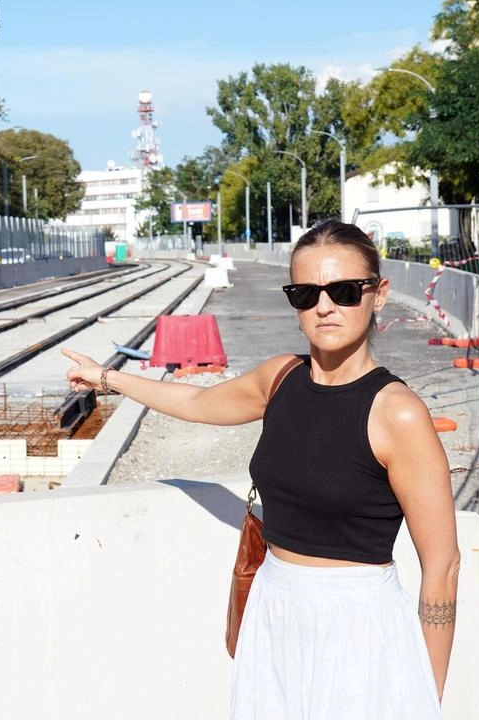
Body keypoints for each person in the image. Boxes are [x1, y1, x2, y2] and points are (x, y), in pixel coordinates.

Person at [62, 219, 458, 718]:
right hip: (272, 608)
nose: (325, 306)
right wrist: (106, 377)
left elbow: (442, 567)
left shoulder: (397, 413)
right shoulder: (280, 378)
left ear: (378, 294)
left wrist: (428, 695)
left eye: (343, 290)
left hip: (359, 625)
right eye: (306, 293)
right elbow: (197, 402)